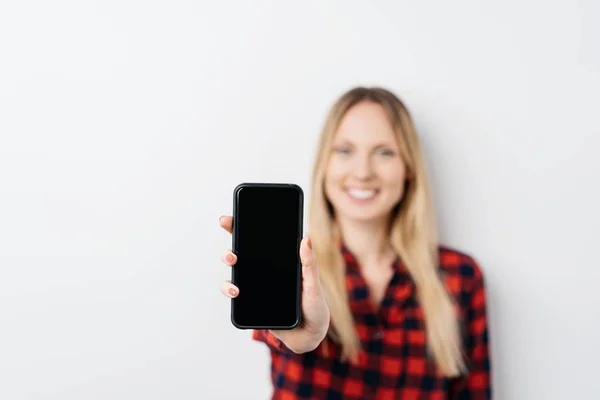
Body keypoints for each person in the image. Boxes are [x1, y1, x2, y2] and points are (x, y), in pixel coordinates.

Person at [218, 86, 492, 399]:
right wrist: (300, 335)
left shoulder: (460, 276)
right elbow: (283, 337)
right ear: (325, 166)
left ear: (409, 169)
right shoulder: (292, 265)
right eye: (345, 150)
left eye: (385, 152)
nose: (362, 172)